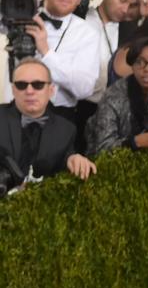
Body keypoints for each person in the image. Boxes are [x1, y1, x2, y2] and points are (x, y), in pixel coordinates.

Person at [4, 0, 100, 120]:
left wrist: (46, 52)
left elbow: (84, 88)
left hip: (61, 119)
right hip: (12, 116)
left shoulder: (88, 33)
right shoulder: (19, 14)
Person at [0, 58, 94, 195]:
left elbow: (65, 158)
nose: (29, 91)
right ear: (14, 90)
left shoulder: (66, 129)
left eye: (38, 85)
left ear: (51, 90)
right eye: (21, 85)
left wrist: (73, 159)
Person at [86, 37, 148, 156]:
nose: (146, 69)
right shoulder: (113, 97)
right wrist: (136, 142)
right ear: (132, 66)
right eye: (140, 62)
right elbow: (101, 149)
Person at [84, 0, 148, 102]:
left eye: (131, 5)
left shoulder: (131, 30)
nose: (125, 9)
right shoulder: (82, 18)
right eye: (122, 0)